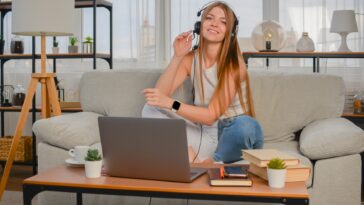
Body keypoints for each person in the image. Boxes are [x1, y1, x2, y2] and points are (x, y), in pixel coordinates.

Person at [142, 1, 263, 163]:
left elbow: (211, 116)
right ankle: (198, 159)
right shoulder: (190, 58)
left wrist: (172, 103)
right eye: (210, 18)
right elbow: (158, 96)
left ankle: (209, 163)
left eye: (223, 22)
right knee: (150, 108)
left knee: (245, 124)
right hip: (204, 135)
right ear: (200, 25)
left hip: (230, 132)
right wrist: (177, 57)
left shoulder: (234, 65)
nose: (214, 24)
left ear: (230, 32)